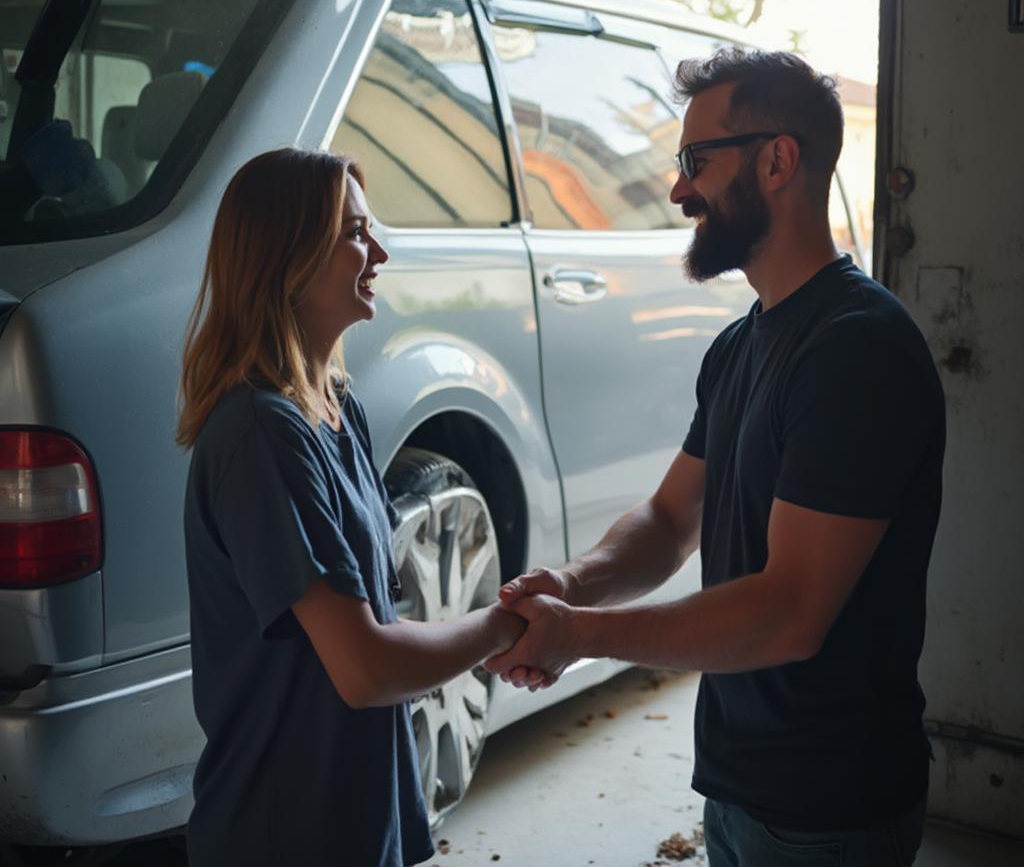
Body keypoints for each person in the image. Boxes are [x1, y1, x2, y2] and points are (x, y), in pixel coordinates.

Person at [485, 49, 945, 866]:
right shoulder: (743, 344)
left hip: (828, 807)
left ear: (777, 160)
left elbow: (790, 611)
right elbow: (668, 522)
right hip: (740, 786)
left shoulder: (855, 351)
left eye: (697, 161)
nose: (677, 189)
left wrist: (580, 635)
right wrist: (570, 584)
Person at [177, 148, 524, 867]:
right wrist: (502, 627)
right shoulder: (261, 434)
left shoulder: (337, 408)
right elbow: (363, 666)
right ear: (287, 257)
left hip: (354, 814)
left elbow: (375, 628)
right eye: (355, 235)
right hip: (282, 831)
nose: (380, 252)